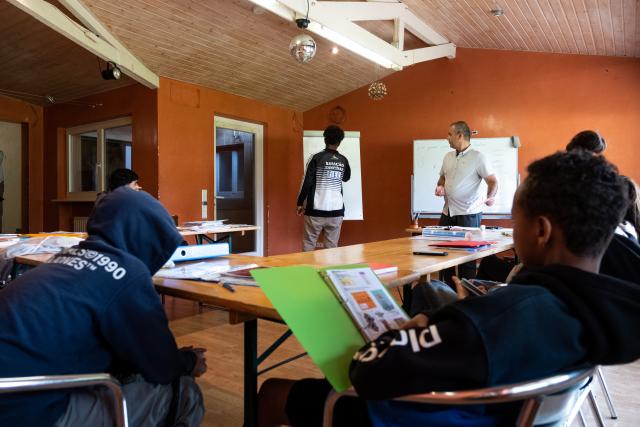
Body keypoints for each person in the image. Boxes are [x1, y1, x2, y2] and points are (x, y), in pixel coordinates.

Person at [259, 150, 640, 427]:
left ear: (541, 231)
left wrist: (423, 321)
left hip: (436, 417)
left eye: (514, 220)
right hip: (494, 407)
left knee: (275, 391)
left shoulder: (502, 319)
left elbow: (367, 370)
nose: (511, 229)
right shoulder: (603, 310)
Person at [0, 187, 207, 427]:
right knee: (185, 393)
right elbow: (161, 367)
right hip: (26, 411)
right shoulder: (127, 273)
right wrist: (189, 361)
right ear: (150, 236)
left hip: (12, 392)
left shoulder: (60, 261)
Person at [435, 121, 498, 283]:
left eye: (450, 134)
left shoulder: (478, 157)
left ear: (460, 135)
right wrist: (440, 186)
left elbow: (492, 181)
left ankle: (468, 293)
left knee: (467, 257)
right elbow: (442, 177)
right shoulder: (447, 156)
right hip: (448, 211)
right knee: (444, 253)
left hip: (469, 213)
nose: (447, 137)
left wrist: (490, 197)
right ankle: (447, 291)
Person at [296, 125, 351, 251]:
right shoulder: (343, 160)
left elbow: (307, 181)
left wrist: (300, 203)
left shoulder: (316, 158)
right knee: (332, 248)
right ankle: (329, 270)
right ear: (339, 142)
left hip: (315, 210)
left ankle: (307, 270)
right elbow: (346, 178)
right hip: (336, 211)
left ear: (325, 139)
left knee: (309, 244)